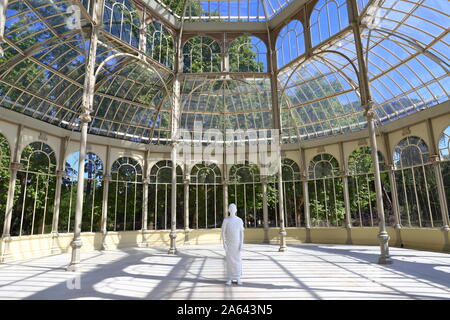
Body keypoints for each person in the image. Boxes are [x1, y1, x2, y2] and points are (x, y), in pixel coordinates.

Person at [221, 203, 244, 286]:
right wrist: (224, 243)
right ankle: (230, 278)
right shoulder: (226, 220)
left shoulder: (239, 220)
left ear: (236, 210)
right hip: (229, 243)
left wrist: (242, 243)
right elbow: (223, 232)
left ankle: (238, 277)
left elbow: (241, 233)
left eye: (234, 208)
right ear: (228, 210)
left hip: (237, 243)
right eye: (231, 208)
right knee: (230, 261)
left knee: (238, 260)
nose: (232, 210)